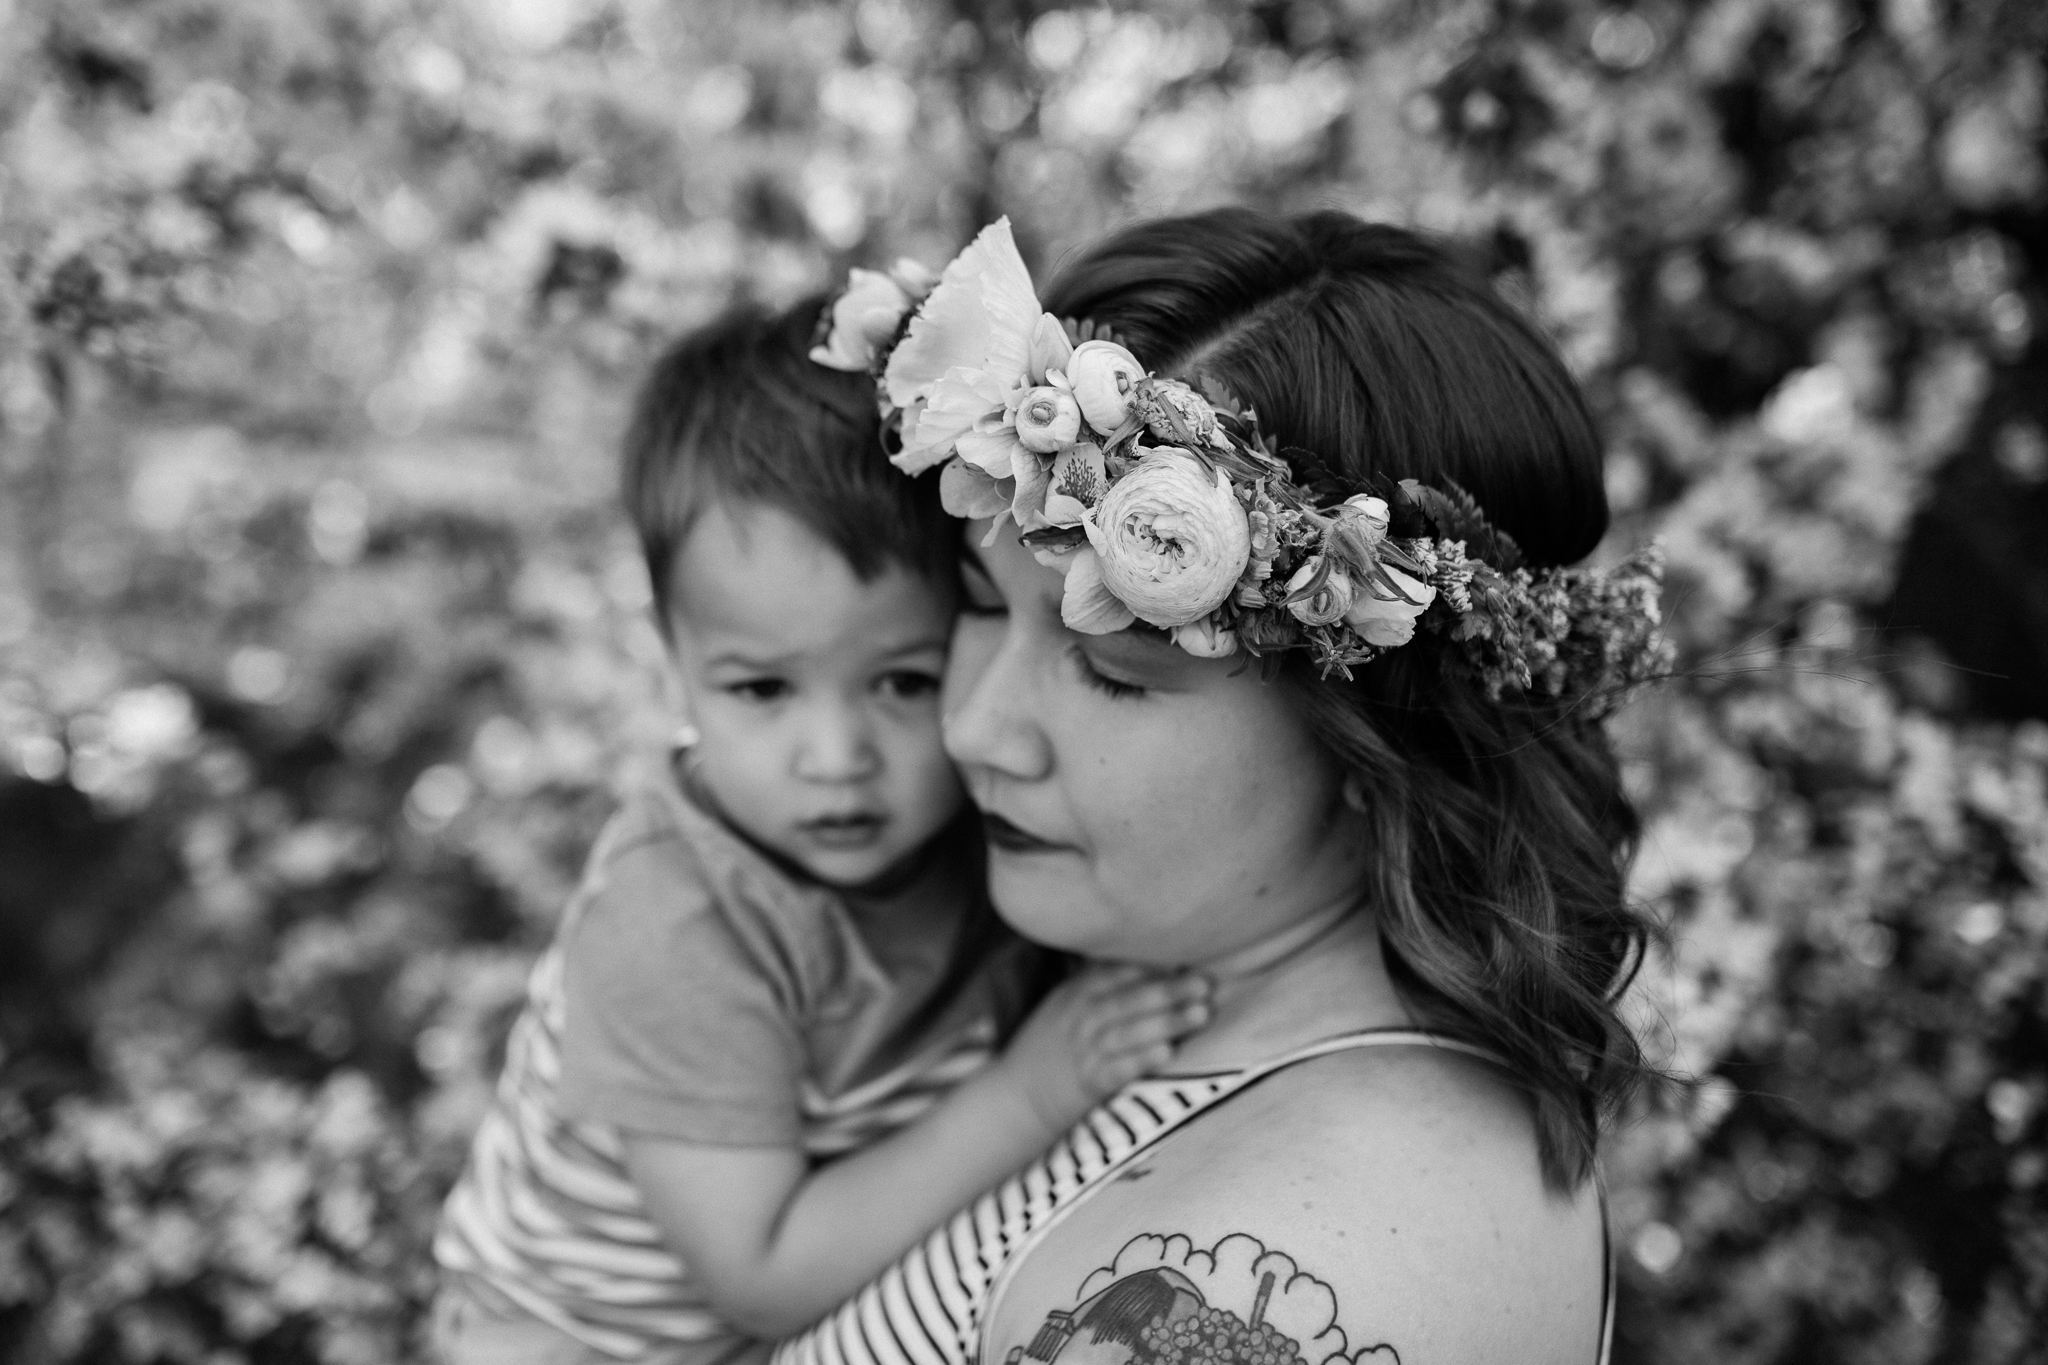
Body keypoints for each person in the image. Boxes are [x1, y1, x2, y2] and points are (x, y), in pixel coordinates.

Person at [780, 209, 1667, 1365]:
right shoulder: (1147, 1005)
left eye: (1111, 668)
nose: (972, 727)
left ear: (1373, 739)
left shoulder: (1307, 1244)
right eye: (978, 606)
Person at [430, 300, 1215, 1365]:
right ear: (671, 662)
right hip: (566, 1338)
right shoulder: (677, 926)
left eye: (901, 679)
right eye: (760, 688)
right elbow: (761, 1273)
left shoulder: (979, 825)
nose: (835, 755)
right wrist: (1037, 1086)